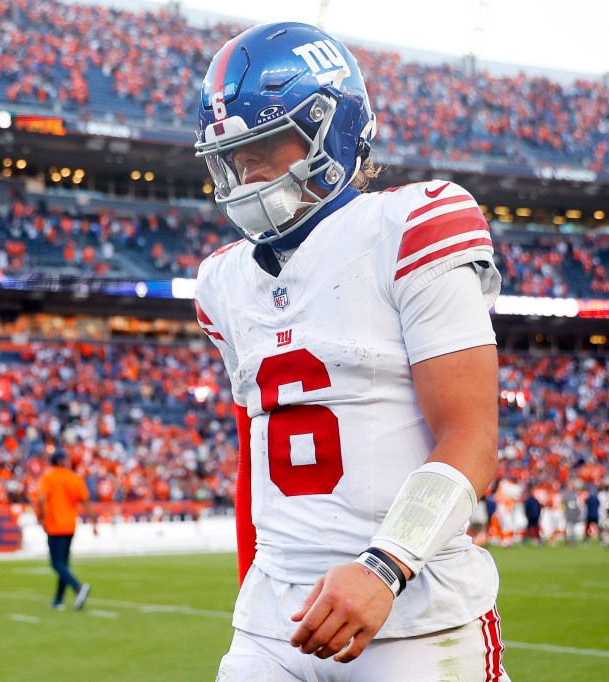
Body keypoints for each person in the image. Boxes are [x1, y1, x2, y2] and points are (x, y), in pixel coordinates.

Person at [192, 22, 508, 680]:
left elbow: (471, 436)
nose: (247, 170)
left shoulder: (411, 225)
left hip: (414, 615)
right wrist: (251, 596)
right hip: (273, 622)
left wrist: (383, 566)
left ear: (330, 128)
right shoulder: (222, 283)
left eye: (266, 145)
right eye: (234, 155)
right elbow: (255, 463)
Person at [37, 450, 97, 611]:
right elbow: (85, 501)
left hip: (54, 524)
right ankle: (58, 600)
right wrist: (94, 522)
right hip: (70, 524)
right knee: (63, 564)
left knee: (56, 563)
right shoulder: (74, 478)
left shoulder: (48, 478)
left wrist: (41, 518)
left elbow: (42, 499)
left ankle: (78, 587)